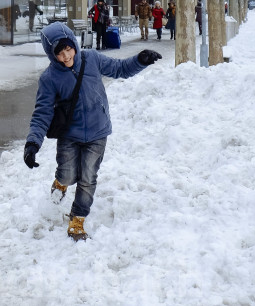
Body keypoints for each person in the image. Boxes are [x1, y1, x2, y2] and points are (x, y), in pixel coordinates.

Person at [23, 22, 161, 241]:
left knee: (88, 178)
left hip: (98, 132)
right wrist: (32, 144)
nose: (66, 56)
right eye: (59, 53)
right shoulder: (49, 79)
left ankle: (77, 220)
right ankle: (61, 183)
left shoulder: (92, 59)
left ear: (74, 45)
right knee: (68, 174)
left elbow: (119, 68)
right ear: (51, 55)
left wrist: (140, 60)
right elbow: (42, 113)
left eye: (68, 49)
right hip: (69, 136)